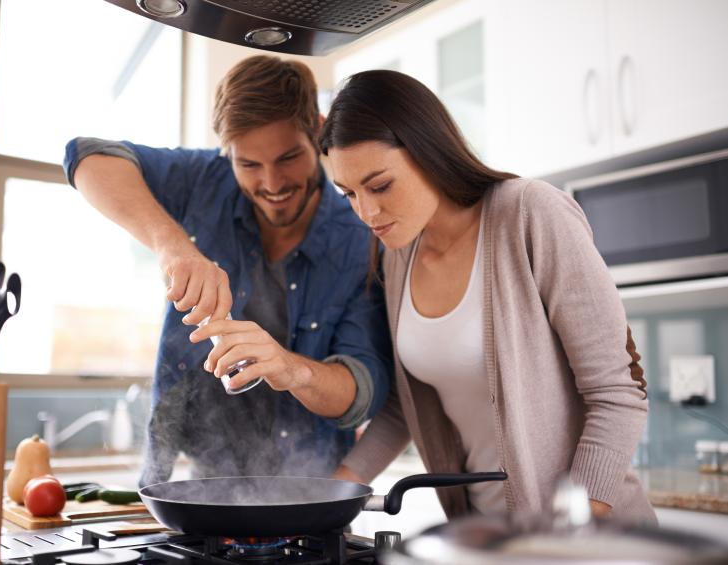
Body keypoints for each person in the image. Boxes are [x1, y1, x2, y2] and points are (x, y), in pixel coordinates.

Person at [319, 70, 655, 523]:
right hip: (485, 537)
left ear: (428, 150)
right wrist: (325, 499)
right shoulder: (399, 254)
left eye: (380, 186)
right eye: (349, 194)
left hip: (590, 541)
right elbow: (408, 405)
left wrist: (568, 534)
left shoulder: (531, 214)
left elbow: (617, 393)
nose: (367, 212)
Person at [63, 56, 392, 485]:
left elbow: (361, 391)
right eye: (249, 164)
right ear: (227, 153)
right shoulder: (206, 180)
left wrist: (290, 369)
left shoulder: (360, 240)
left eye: (288, 157)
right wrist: (175, 249)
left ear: (319, 129)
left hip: (309, 496)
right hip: (192, 480)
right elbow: (85, 157)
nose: (271, 184)